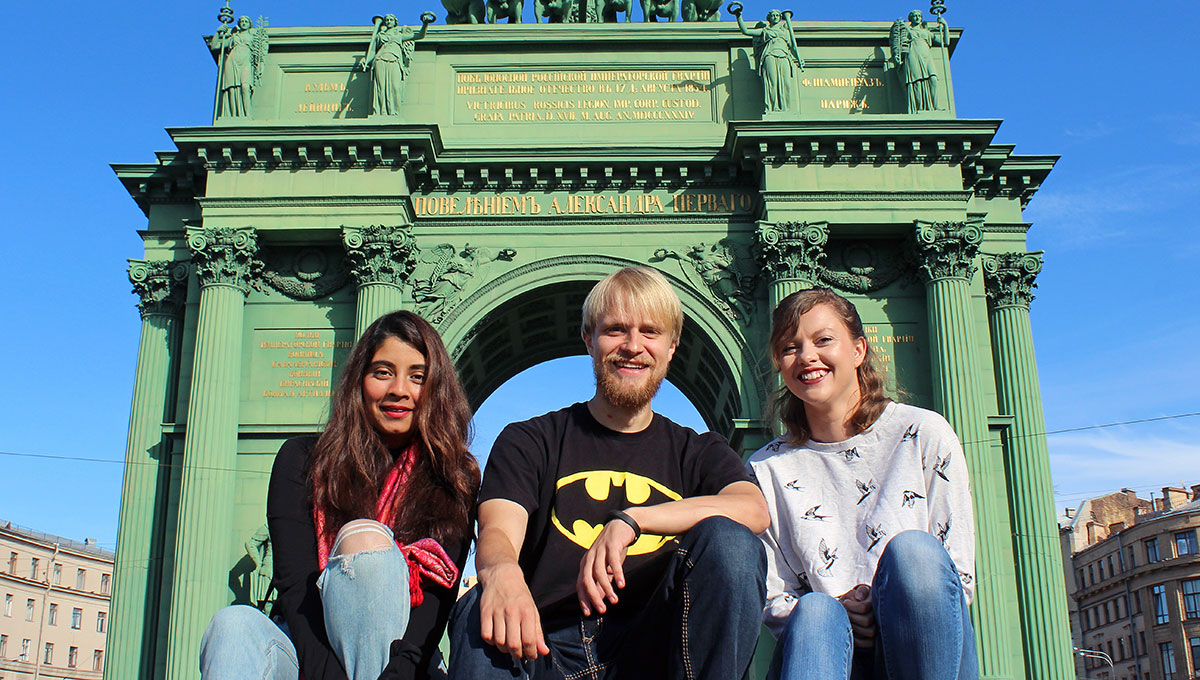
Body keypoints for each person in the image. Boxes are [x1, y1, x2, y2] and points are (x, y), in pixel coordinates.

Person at [448, 266, 770, 680]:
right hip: (544, 648)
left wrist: (634, 520)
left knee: (731, 541)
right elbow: (497, 533)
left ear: (672, 347)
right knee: (480, 603)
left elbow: (753, 509)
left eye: (650, 332)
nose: (633, 346)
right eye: (616, 329)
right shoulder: (530, 439)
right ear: (589, 339)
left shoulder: (700, 450)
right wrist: (500, 571)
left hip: (661, 654)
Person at [199, 311, 481, 680]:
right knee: (232, 623)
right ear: (358, 382)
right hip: (304, 650)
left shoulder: (454, 476)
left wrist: (402, 669)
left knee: (367, 549)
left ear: (437, 388)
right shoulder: (301, 461)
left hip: (403, 663)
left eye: (418, 376)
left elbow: (435, 603)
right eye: (382, 372)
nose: (398, 389)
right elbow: (296, 585)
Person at [747, 288, 977, 680]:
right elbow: (773, 593)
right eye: (790, 347)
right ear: (780, 366)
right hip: (828, 652)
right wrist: (838, 606)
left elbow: (956, 578)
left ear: (858, 350)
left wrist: (883, 605)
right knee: (817, 611)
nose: (807, 357)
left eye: (823, 340)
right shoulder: (766, 467)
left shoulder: (924, 433)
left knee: (915, 554)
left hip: (921, 649)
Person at [731, 5, 802, 113]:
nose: (775, 17)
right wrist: (738, 16)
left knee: (786, 83)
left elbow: (792, 47)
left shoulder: (786, 32)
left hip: (784, 57)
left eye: (777, 15)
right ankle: (773, 109)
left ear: (780, 17)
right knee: (771, 82)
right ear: (769, 18)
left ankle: (785, 109)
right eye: (772, 15)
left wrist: (799, 58)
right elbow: (745, 31)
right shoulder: (765, 31)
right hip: (769, 56)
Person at [361, 13, 432, 117]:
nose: (389, 21)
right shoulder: (380, 36)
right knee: (381, 87)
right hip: (380, 59)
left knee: (395, 87)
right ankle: (382, 112)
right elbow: (373, 51)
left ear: (395, 23)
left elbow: (420, 35)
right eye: (387, 20)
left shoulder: (399, 35)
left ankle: (394, 112)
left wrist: (425, 24)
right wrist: (366, 61)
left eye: (391, 20)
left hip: (394, 60)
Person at [889, 9, 947, 113]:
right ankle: (919, 108)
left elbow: (945, 42)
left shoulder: (927, 32)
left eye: (919, 16)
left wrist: (945, 26)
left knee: (933, 79)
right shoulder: (907, 30)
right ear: (910, 19)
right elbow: (898, 43)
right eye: (915, 16)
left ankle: (935, 106)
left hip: (926, 55)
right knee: (917, 82)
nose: (917, 18)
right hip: (913, 54)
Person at [209, 15, 265, 118]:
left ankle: (247, 114)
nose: (243, 23)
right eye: (242, 21)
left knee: (245, 86)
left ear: (249, 25)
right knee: (231, 88)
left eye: (246, 21)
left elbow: (260, 54)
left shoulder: (254, 37)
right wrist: (218, 32)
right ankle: (233, 115)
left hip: (246, 61)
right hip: (232, 60)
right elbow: (214, 46)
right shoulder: (233, 37)